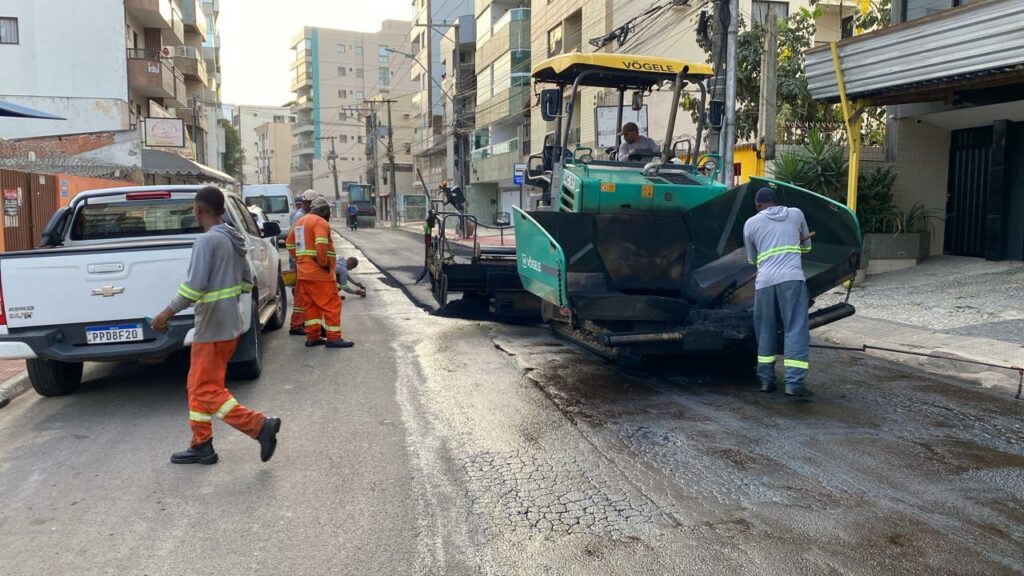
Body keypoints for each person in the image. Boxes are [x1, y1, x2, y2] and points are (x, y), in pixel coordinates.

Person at [151, 186, 280, 465]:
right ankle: (201, 444)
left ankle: (258, 426)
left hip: (211, 325)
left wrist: (165, 314)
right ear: (222, 210)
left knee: (205, 389)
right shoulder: (235, 240)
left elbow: (194, 287)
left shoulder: (207, 242)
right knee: (198, 384)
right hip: (229, 322)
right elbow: (247, 280)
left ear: (198, 211)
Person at [743, 187, 815, 398]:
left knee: (765, 329)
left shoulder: (750, 223)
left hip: (764, 282)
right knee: (795, 328)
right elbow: (807, 247)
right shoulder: (796, 214)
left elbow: (752, 260)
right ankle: (793, 384)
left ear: (758, 205)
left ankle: (766, 381)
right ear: (777, 201)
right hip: (792, 279)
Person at [286, 197, 353, 348]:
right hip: (320, 274)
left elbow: (290, 243)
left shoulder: (300, 222)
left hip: (304, 273)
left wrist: (300, 259)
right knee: (331, 304)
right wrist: (322, 263)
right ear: (322, 210)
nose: (329, 214)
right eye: (328, 210)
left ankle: (313, 336)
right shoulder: (319, 222)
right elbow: (321, 243)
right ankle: (333, 337)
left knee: (311, 306)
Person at [287, 190, 319, 335]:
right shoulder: (301, 217)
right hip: (302, 263)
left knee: (303, 294)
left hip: (302, 261)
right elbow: (297, 241)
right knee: (301, 294)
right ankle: (297, 324)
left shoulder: (302, 215)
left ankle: (301, 322)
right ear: (309, 203)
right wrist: (300, 259)